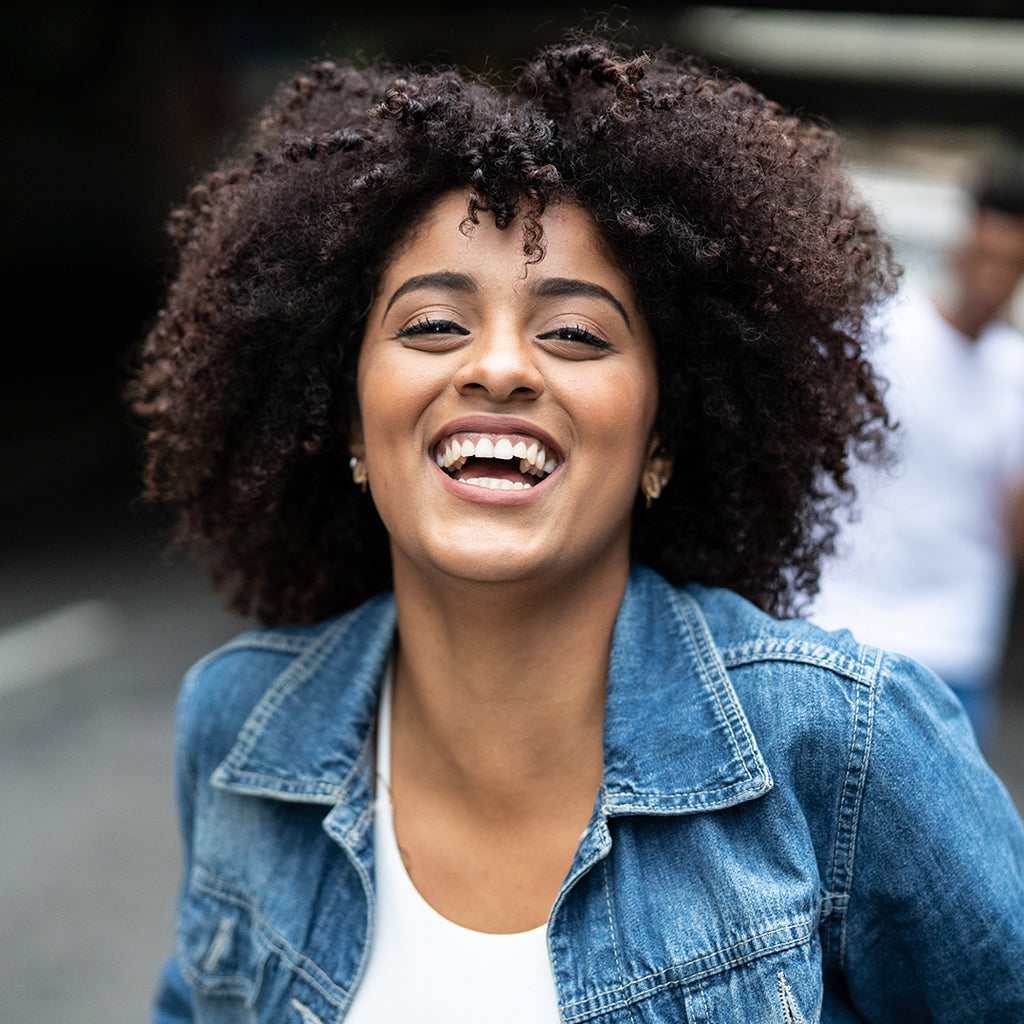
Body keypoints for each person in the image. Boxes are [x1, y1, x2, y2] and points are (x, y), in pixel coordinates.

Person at [128, 35, 1024, 1023]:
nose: (501, 365)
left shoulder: (845, 747)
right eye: (432, 324)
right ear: (346, 416)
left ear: (661, 439)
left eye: (576, 334)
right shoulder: (237, 721)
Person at [810, 164, 1024, 750]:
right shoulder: (879, 331)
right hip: (841, 631)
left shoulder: (1015, 374)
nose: (994, 278)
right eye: (987, 257)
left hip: (956, 652)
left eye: (1011, 266)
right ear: (961, 249)